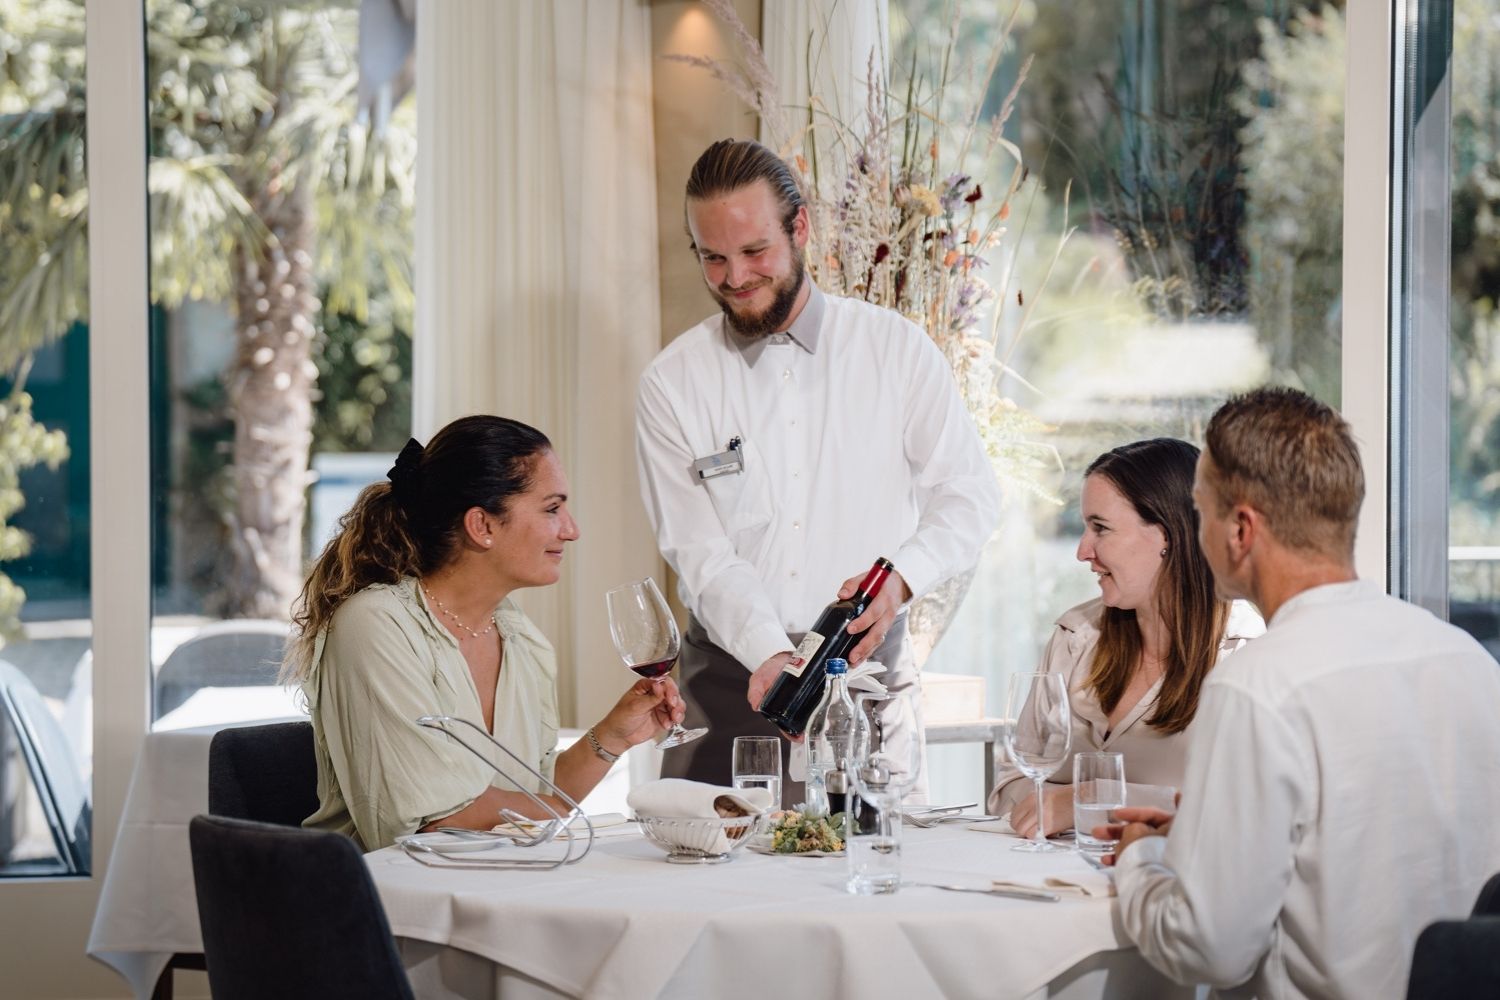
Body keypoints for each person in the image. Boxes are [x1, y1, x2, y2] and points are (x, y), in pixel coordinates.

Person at [1101, 387, 1500, 998]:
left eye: (1201, 510)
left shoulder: (1257, 686)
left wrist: (1138, 860)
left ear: (1240, 529)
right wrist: (1204, 835)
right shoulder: (1468, 661)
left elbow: (1208, 947)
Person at [634, 138, 999, 793]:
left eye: (754, 252)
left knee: (873, 881)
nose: (735, 278)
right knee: (705, 893)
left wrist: (901, 581)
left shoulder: (898, 352)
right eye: (712, 258)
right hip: (728, 688)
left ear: (800, 227)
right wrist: (770, 652)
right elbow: (700, 554)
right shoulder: (672, 383)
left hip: (864, 679)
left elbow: (969, 497)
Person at [283, 415, 686, 852]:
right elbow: (435, 824)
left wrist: (614, 735)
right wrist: (551, 812)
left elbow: (534, 792)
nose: (571, 530)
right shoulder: (376, 625)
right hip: (387, 903)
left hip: (495, 887)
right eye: (552, 508)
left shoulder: (521, 639)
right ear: (483, 526)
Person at [988, 438, 1262, 835]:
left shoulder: (1245, 655)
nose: (1083, 551)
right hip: (1046, 886)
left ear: (1167, 534)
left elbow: (1247, 814)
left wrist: (1089, 801)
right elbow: (1009, 785)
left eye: (1100, 528)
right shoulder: (1075, 637)